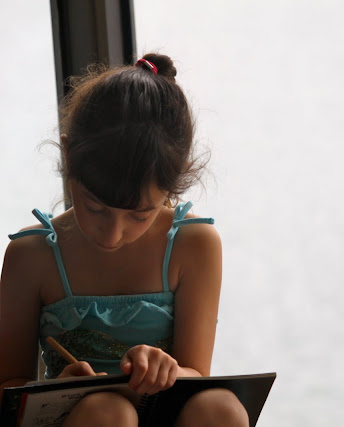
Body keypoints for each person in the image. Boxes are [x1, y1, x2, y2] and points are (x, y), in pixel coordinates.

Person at [0, 53, 249, 426]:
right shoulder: (31, 255)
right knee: (108, 414)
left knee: (222, 408)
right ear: (68, 154)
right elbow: (7, 390)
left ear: (172, 183)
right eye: (96, 208)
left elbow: (196, 373)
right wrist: (55, 390)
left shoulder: (193, 244)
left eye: (139, 215)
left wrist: (169, 371)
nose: (113, 234)